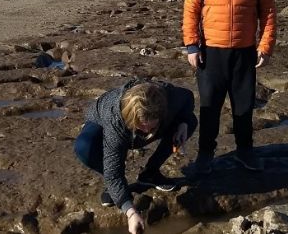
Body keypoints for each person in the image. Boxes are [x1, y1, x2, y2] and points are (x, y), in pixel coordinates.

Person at [182, 0, 277, 174]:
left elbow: (268, 14)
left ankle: (245, 151)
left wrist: (265, 47)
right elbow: (190, 12)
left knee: (244, 108)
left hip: (244, 54)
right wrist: (192, 46)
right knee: (209, 107)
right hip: (211, 53)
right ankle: (205, 154)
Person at [74, 78, 197, 234]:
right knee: (84, 147)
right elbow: (113, 172)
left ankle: (150, 174)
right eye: (142, 127)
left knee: (191, 121)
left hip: (145, 121)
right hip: (102, 123)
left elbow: (188, 97)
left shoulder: (170, 97)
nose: (146, 132)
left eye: (150, 127)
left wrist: (183, 122)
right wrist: (130, 211)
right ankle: (117, 190)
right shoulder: (115, 120)